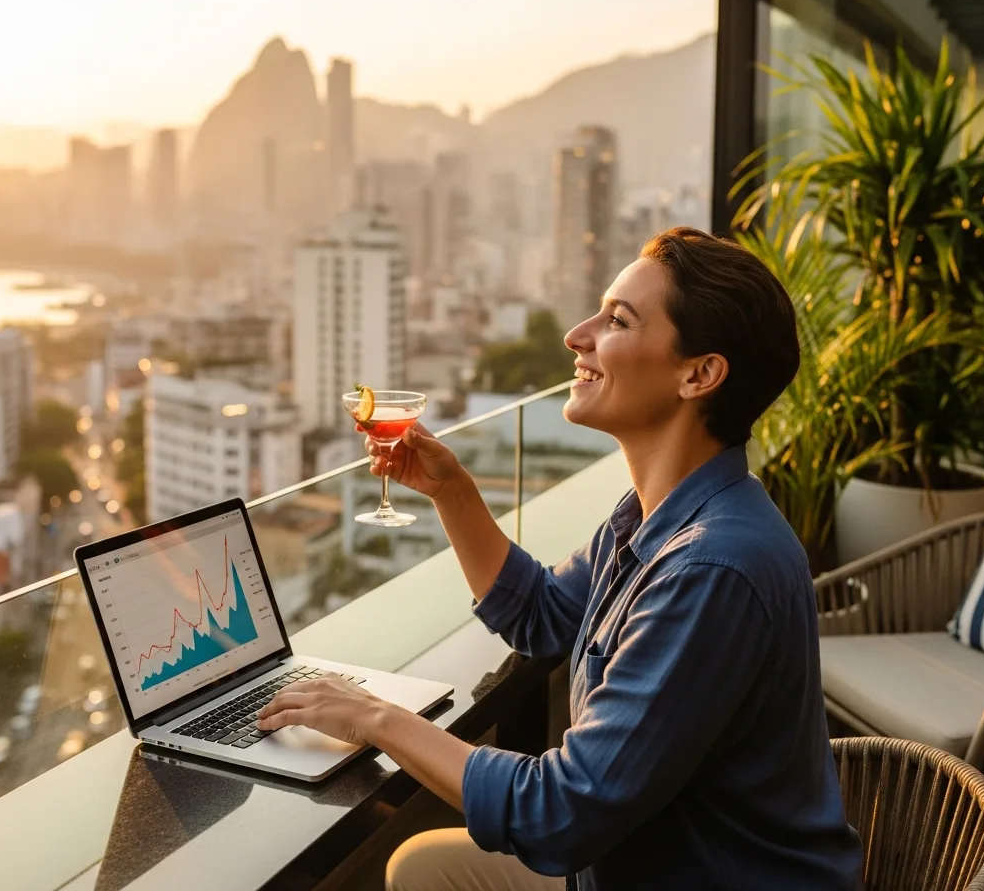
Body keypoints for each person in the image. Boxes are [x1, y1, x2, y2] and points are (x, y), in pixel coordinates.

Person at [257, 227, 865, 891]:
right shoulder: (658, 516)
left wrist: (373, 716)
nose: (577, 336)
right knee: (420, 866)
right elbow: (543, 615)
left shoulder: (711, 568)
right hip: (631, 864)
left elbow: (561, 813)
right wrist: (452, 491)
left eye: (618, 320)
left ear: (698, 374)